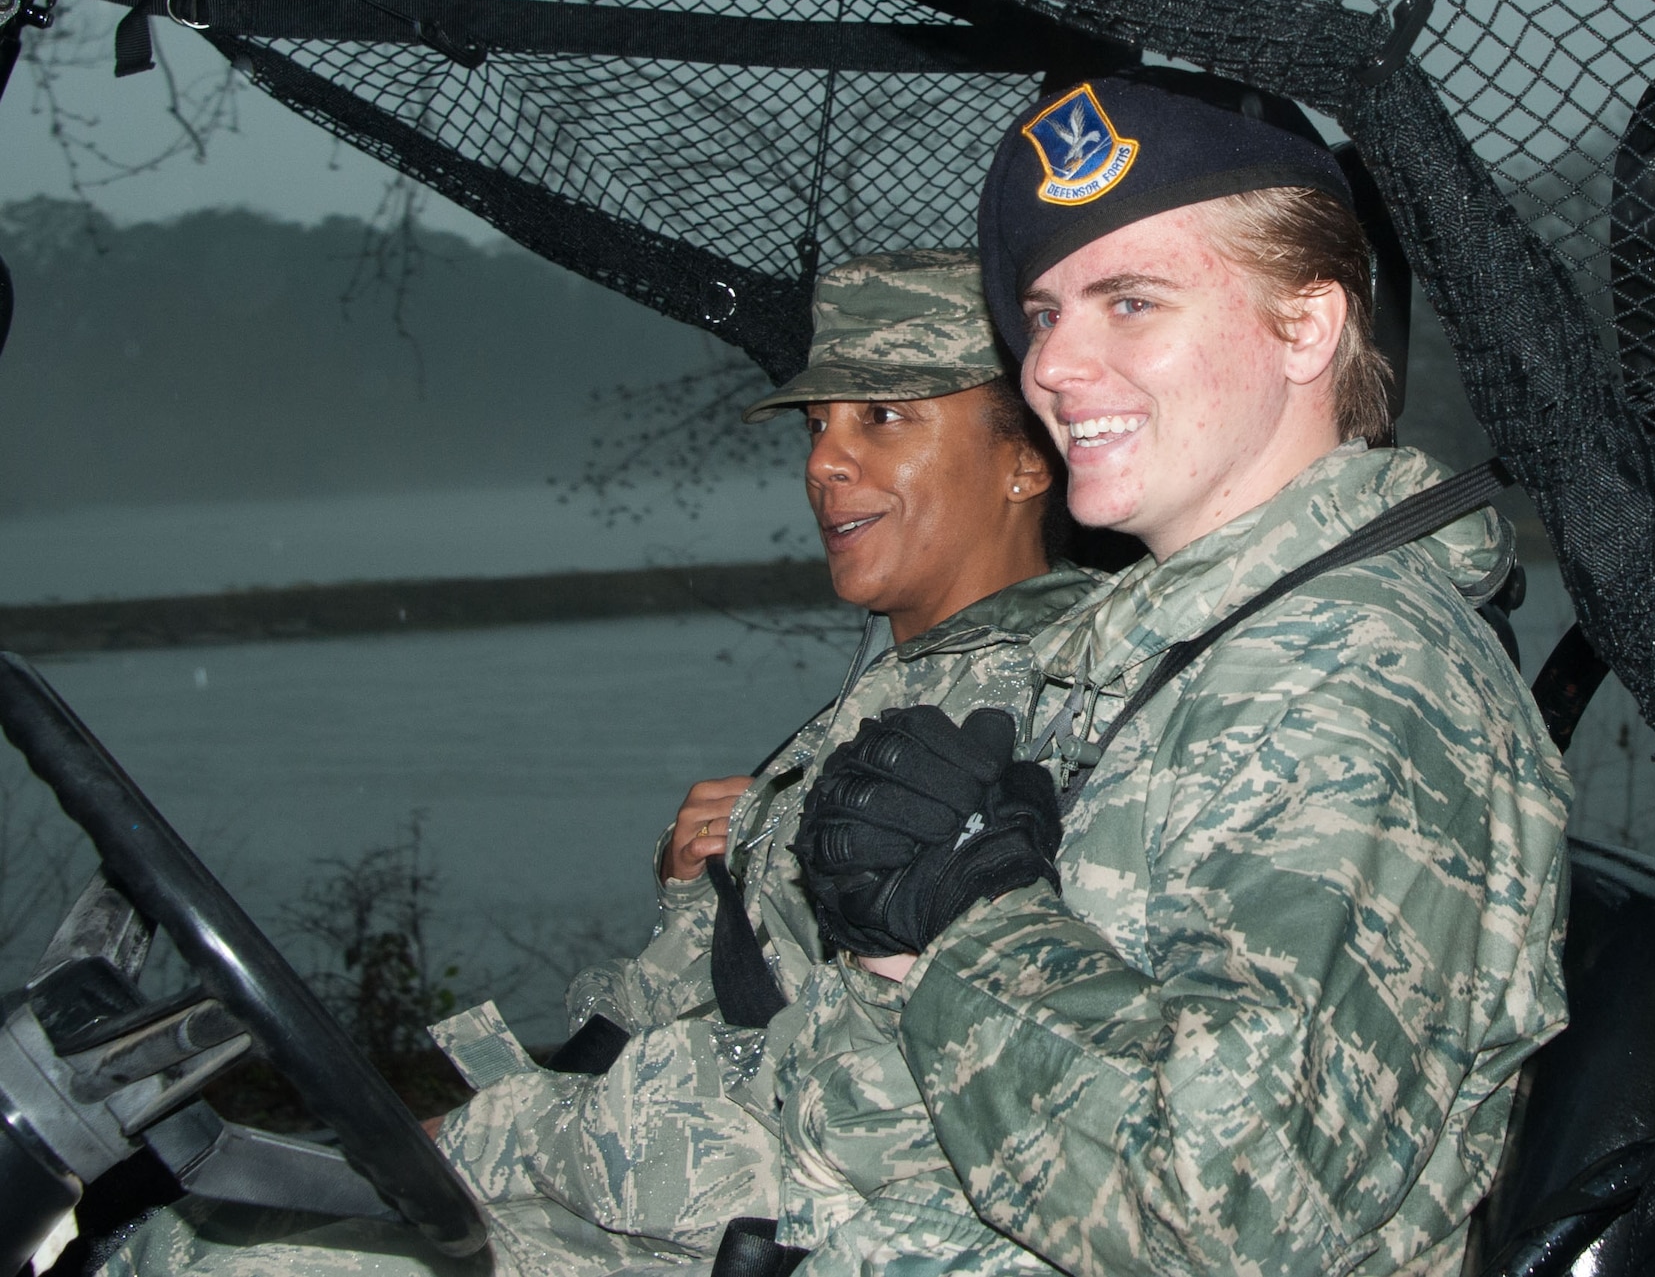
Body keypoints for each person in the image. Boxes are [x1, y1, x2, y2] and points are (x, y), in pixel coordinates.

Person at [108, 250, 1107, 1276]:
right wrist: (702, 897)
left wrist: (487, 1138)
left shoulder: (1030, 708)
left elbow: (869, 1104)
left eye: (883, 419)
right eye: (817, 426)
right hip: (680, 1196)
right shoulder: (901, 691)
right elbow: (731, 1008)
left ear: (1026, 459)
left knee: (201, 1259)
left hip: (804, 1233)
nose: (823, 463)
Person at [790, 72, 1573, 1275]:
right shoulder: (1174, 652)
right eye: (1045, 314)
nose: (1052, 367)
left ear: (1304, 327)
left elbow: (1227, 1211)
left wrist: (969, 927)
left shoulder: (1342, 681)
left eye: (1131, 302)